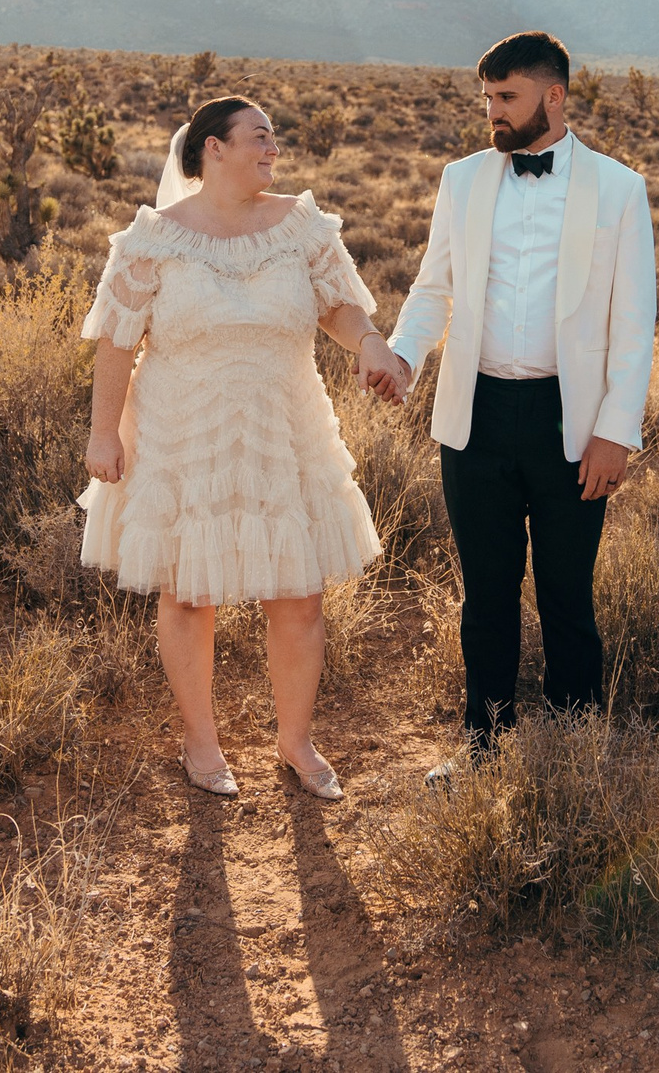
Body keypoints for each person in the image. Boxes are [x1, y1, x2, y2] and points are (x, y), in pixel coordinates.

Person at [78, 94, 410, 800]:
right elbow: (116, 339)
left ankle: (295, 741)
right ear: (212, 149)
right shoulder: (153, 238)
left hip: (283, 426)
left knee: (299, 595)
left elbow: (337, 307)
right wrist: (103, 432)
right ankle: (201, 742)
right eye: (259, 138)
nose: (273, 150)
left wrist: (372, 341)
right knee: (188, 593)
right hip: (181, 428)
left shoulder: (303, 226)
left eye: (275, 139)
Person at [381, 32, 657, 781]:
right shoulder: (462, 180)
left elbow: (633, 324)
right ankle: (483, 749)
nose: (494, 114)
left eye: (507, 98)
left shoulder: (619, 190)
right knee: (487, 596)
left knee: (568, 597)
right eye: (488, 100)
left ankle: (575, 760)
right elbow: (433, 284)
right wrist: (405, 355)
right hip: (474, 418)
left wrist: (614, 432)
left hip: (572, 425)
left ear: (553, 96)